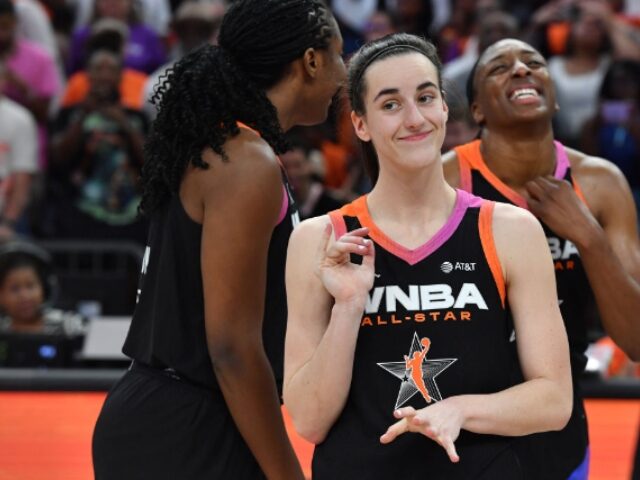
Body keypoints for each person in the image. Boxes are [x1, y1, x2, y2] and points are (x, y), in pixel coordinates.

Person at [284, 33, 571, 479]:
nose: (414, 118)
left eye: (425, 96)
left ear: (443, 107)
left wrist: (459, 411)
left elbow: (554, 400)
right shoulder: (320, 238)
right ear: (361, 124)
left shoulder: (510, 229)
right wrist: (347, 307)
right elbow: (309, 420)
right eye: (391, 104)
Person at [91, 0, 346, 478]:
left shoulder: (227, 147)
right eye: (338, 54)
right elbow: (230, 346)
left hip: (177, 413)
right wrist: (286, 472)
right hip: (185, 425)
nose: (343, 74)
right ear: (311, 61)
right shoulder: (246, 160)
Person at [443, 37, 640, 479]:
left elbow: (636, 339)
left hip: (558, 425)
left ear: (552, 96)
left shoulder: (599, 183)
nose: (520, 70)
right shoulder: (447, 180)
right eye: (500, 67)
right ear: (476, 111)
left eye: (533, 62)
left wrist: (589, 236)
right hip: (465, 422)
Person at [0, 241, 86, 368]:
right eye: (15, 289)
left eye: (30, 286)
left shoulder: (70, 326)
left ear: (44, 288)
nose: (24, 296)